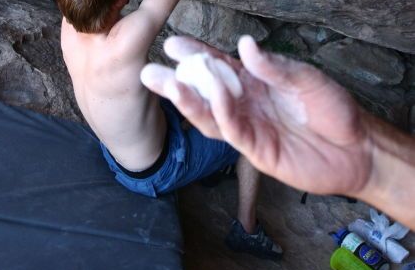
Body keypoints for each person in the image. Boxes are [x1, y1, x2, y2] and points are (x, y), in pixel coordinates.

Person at [55, 0, 282, 259]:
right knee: (257, 121)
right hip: (156, 170)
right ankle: (245, 230)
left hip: (129, 147)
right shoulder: (124, 42)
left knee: (206, 75)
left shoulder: (73, 16)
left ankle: (212, 164)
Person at [141, 34, 415, 230]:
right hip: (162, 166)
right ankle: (244, 223)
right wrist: (364, 151)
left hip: (148, 168)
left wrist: (365, 158)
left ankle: (232, 200)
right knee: (231, 133)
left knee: (232, 132)